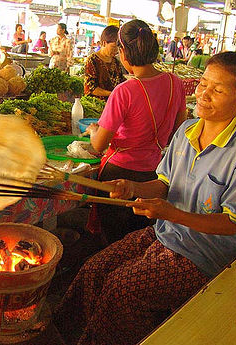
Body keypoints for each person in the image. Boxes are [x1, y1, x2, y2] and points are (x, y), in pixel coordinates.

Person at [55, 51, 236, 345]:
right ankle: (80, 344)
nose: (204, 94)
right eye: (203, 84)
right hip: (164, 234)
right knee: (94, 269)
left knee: (121, 290)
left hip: (202, 256)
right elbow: (163, 184)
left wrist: (170, 212)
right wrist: (134, 188)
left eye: (218, 90)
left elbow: (230, 224)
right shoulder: (186, 132)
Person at [84, 20, 187, 244]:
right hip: (154, 175)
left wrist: (93, 130)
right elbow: (178, 131)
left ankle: (109, 276)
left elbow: (99, 146)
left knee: (112, 241)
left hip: (119, 178)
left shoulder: (124, 91)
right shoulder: (175, 83)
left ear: (124, 53)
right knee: (137, 239)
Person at [83, 25, 125, 99]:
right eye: (113, 47)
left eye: (118, 48)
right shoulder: (92, 60)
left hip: (114, 101)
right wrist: (112, 93)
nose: (116, 50)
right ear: (104, 43)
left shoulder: (116, 62)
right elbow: (90, 88)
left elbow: (121, 81)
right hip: (97, 105)